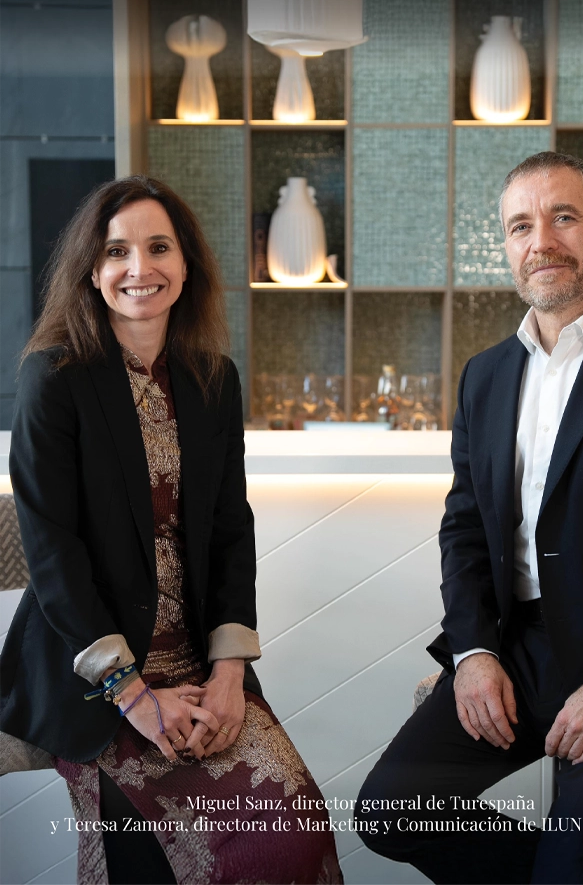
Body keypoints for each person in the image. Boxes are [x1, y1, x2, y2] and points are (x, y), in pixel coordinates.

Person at [355, 152, 583, 884]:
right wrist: (473, 655)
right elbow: (463, 528)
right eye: (521, 225)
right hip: (517, 653)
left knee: (573, 866)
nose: (541, 241)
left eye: (563, 217)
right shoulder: (486, 373)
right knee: (392, 813)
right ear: (507, 246)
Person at [0, 176, 343, 885]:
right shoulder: (52, 377)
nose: (139, 268)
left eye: (159, 247)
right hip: (97, 680)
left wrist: (228, 675)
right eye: (117, 250)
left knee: (294, 835)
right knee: (151, 860)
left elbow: (228, 531)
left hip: (201, 668)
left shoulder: (212, 376)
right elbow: (53, 553)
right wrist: (133, 696)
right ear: (92, 272)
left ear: (186, 264)